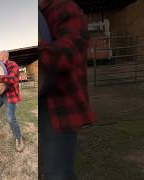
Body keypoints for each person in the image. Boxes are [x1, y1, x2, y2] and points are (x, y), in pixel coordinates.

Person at [39, 0, 96, 179]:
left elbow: (70, 53)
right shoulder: (34, 12)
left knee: (57, 173)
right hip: (39, 97)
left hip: (60, 105)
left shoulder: (65, 6)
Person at [0, 50, 24, 152]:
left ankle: (18, 137)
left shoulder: (12, 64)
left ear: (4, 57)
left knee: (10, 118)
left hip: (9, 95)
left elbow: (12, 78)